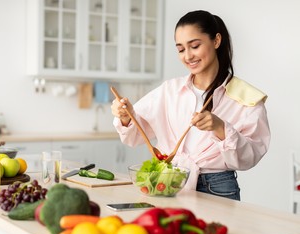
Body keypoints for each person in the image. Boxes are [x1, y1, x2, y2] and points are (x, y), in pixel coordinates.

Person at [111, 10, 270, 201]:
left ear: (216, 41)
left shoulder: (247, 98)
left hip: (217, 187)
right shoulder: (169, 90)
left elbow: (250, 157)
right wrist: (126, 117)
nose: (188, 56)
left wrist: (220, 128)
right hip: (168, 181)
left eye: (194, 46)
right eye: (180, 49)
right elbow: (135, 136)